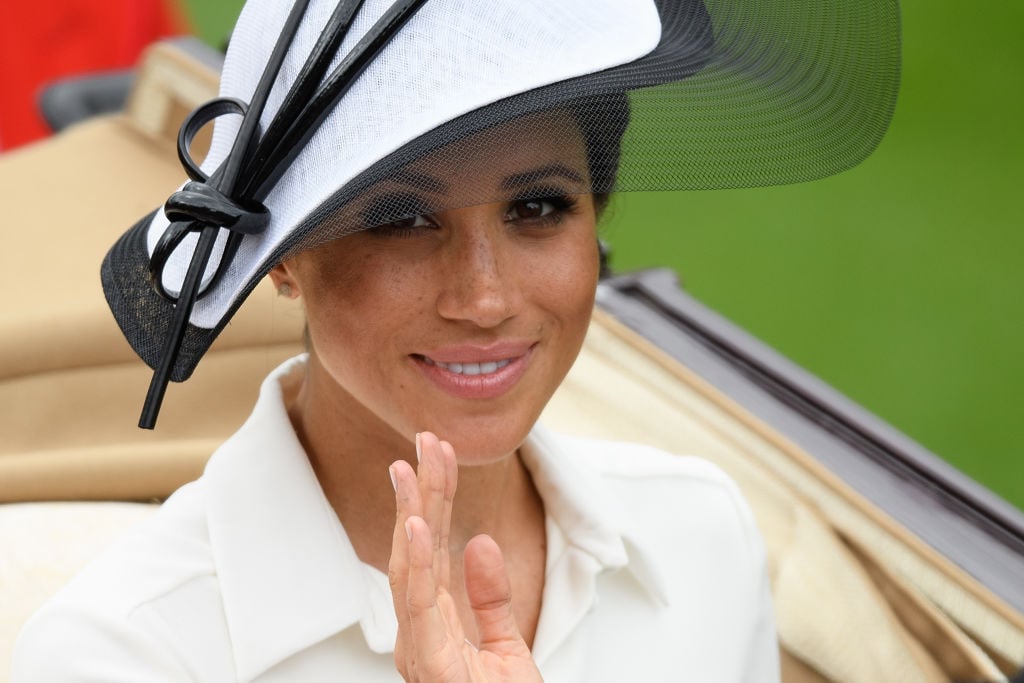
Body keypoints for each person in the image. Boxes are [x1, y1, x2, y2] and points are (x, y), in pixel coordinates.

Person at [11, 0, 899, 680]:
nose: (485, 297)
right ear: (278, 259)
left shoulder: (702, 538)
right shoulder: (121, 654)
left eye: (538, 207)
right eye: (402, 219)